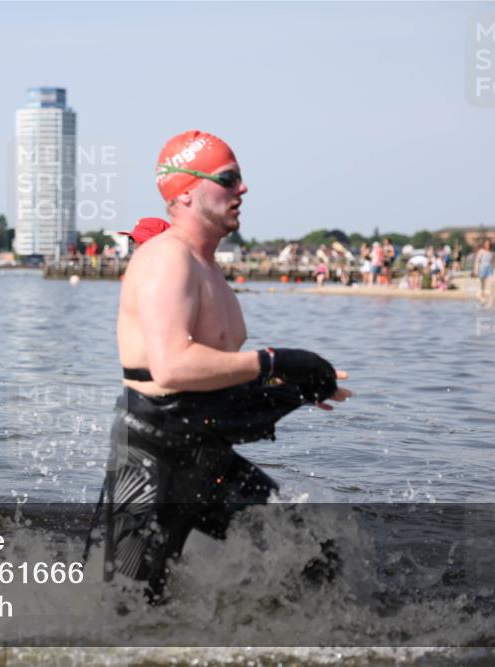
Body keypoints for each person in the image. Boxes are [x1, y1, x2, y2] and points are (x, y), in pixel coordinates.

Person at [102, 130, 350, 604]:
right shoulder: (165, 260)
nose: (243, 189)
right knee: (128, 615)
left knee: (314, 556)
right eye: (229, 178)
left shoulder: (208, 267)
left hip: (206, 454)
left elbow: (215, 371)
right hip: (152, 460)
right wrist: (272, 362)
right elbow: (172, 367)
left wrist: (287, 386)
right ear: (187, 191)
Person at [475, 238, 495, 309]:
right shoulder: (481, 251)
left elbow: (493, 261)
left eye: (489, 244)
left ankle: (492, 302)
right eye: (486, 244)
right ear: (484, 245)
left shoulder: (491, 252)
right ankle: (482, 299)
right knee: (482, 285)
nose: (487, 245)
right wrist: (476, 270)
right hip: (482, 268)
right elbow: (477, 260)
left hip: (490, 269)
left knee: (492, 284)